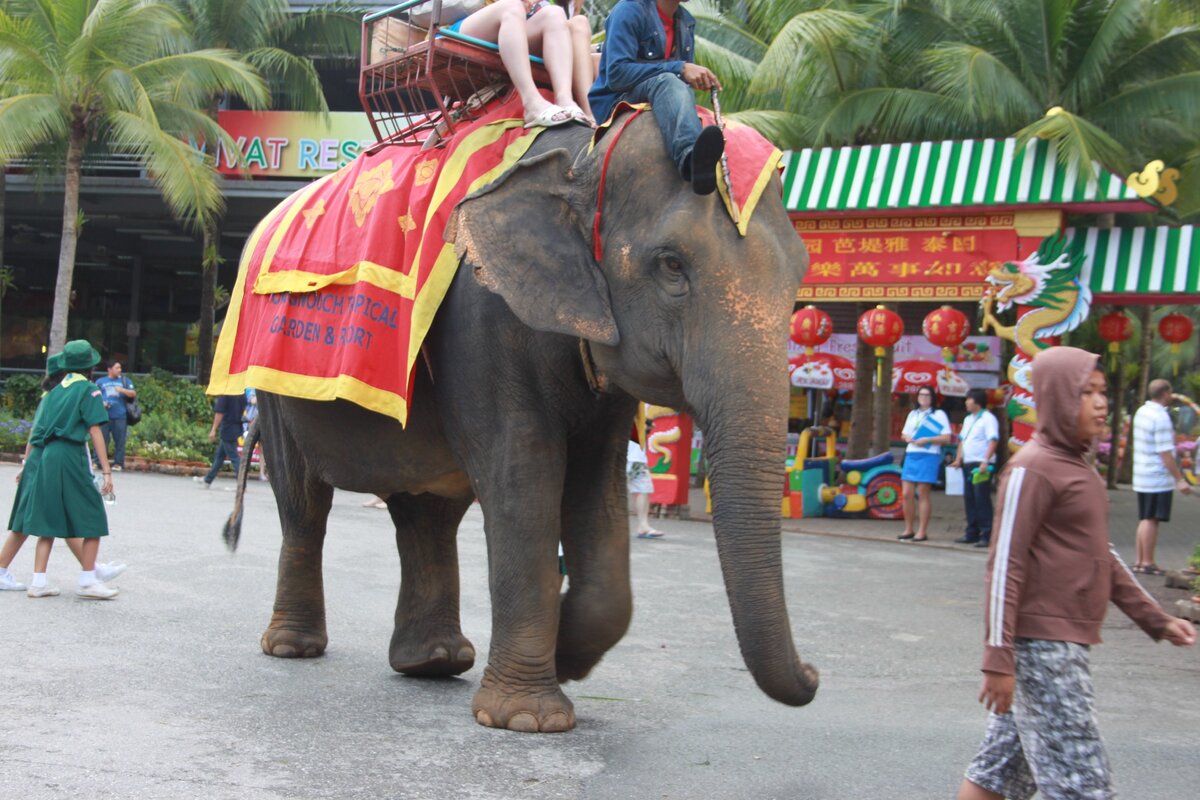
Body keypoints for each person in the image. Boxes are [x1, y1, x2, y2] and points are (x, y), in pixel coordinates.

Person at [957, 347, 1195, 800]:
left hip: (1059, 644)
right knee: (1081, 783)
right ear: (1059, 398)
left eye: (1102, 392)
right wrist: (997, 658)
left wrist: (1156, 619)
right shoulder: (1034, 468)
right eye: (1086, 392)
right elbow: (1004, 565)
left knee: (999, 772)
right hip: (1042, 649)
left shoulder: (1074, 467)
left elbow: (1100, 556)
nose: (1101, 403)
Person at [6, 341, 121, 600]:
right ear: (89, 365)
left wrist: (26, 465)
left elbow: (37, 434)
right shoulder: (88, 390)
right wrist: (107, 471)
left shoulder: (54, 393)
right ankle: (88, 579)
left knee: (49, 518)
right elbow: (95, 430)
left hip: (47, 455)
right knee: (93, 515)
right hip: (70, 454)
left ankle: (39, 581)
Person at [588, 0, 726, 195]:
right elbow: (617, 75)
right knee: (668, 81)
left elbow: (681, 81)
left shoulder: (685, 21)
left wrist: (693, 77)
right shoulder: (629, 10)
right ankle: (690, 157)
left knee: (672, 82)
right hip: (619, 99)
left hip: (660, 94)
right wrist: (680, 68)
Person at [455, 0, 592, 127]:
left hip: (512, 28)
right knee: (512, 6)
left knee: (555, 13)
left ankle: (566, 100)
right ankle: (531, 102)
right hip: (468, 23)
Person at [1130, 379, 1192, 575]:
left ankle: (1140, 561)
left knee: (1145, 517)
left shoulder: (1142, 411)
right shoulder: (1161, 417)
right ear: (1166, 393)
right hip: (1156, 477)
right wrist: (1179, 479)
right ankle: (1148, 562)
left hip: (1141, 474)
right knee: (1152, 519)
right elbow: (1165, 452)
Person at [899, 385, 951, 542]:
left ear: (933, 398)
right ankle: (908, 528)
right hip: (911, 453)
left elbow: (947, 438)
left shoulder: (939, 414)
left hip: (928, 454)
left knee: (923, 492)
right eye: (921, 394)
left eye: (927, 395)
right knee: (907, 494)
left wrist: (928, 440)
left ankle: (922, 531)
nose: (924, 397)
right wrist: (907, 438)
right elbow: (904, 432)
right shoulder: (913, 414)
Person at [951, 388, 1001, 548]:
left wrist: (985, 460)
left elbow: (993, 440)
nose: (966, 402)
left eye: (968, 399)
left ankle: (986, 533)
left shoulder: (988, 419)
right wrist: (958, 459)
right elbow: (962, 440)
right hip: (968, 462)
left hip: (981, 464)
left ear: (977, 401)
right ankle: (971, 532)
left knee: (982, 498)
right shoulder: (968, 419)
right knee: (970, 498)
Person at [195, 392, 247, 488]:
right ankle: (208, 480)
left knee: (234, 457)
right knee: (220, 456)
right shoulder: (241, 393)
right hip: (236, 427)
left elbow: (220, 412)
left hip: (227, 428)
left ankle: (242, 483)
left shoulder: (226, 394)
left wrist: (213, 429)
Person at [94, 359, 136, 472]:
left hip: (120, 415)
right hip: (104, 416)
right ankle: (97, 462)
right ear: (109, 369)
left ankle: (118, 463)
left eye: (120, 368)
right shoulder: (100, 381)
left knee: (120, 441)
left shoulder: (125, 381)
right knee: (102, 439)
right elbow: (94, 396)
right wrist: (101, 403)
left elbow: (133, 393)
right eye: (117, 368)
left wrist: (122, 390)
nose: (120, 370)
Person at [627, 438, 661, 538]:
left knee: (645, 490)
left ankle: (643, 526)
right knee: (614, 491)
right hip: (626, 458)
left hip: (639, 459)